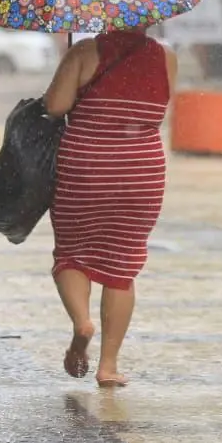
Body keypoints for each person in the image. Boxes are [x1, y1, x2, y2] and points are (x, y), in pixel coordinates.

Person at [43, 29, 177, 387]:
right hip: (142, 169)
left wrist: (70, 68)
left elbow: (55, 107)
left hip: (86, 163)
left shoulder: (85, 52)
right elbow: (158, 107)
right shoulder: (167, 57)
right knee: (122, 264)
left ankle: (82, 322)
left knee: (72, 251)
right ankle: (108, 366)